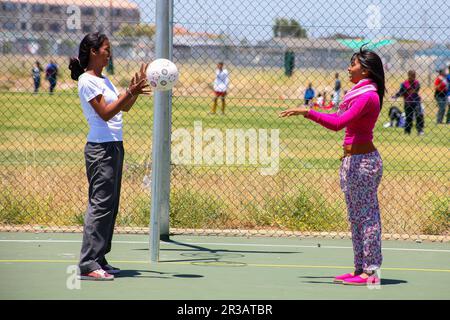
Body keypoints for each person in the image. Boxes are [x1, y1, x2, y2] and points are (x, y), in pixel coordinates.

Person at [280, 47, 385, 286]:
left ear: (365, 70)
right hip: (353, 160)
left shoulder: (368, 96)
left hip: (364, 162)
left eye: (353, 64)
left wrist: (308, 112)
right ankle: (360, 269)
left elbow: (338, 123)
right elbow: (337, 115)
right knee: (356, 218)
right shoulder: (359, 93)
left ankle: (371, 273)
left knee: (367, 218)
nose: (349, 68)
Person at [68, 32, 151, 281]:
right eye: (106, 49)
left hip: (114, 146)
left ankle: (99, 257)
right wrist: (129, 91)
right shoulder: (87, 80)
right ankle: (87, 263)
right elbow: (105, 113)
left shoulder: (104, 80)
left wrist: (134, 91)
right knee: (100, 204)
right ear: (93, 52)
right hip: (100, 149)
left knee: (110, 206)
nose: (109, 52)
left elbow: (123, 108)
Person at [392, 70, 424, 135]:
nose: (413, 77)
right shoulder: (404, 84)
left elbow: (416, 90)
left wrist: (406, 90)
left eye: (414, 76)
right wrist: (396, 96)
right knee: (409, 117)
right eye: (412, 76)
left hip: (416, 102)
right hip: (408, 103)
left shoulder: (416, 83)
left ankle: (420, 130)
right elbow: (401, 92)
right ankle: (407, 131)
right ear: (409, 75)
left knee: (419, 115)